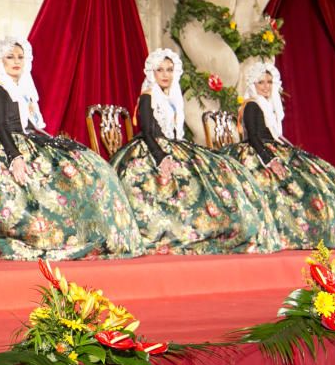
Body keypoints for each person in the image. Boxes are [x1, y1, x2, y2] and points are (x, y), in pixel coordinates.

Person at [0, 37, 144, 260]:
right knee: (44, 180)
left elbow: (29, 126)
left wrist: (53, 142)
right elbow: (1, 126)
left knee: (88, 164)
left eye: (20, 57)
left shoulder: (22, 89)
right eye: (10, 57)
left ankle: (89, 234)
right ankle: (48, 236)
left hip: (27, 141)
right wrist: (15, 157)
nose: (16, 62)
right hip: (6, 147)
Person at [109, 49, 281, 255]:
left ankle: (209, 229)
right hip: (152, 150)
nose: (165, 74)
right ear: (152, 73)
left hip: (172, 145)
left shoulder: (171, 98)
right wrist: (161, 157)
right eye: (160, 70)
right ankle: (170, 233)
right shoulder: (147, 97)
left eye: (170, 70)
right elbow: (147, 132)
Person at [221, 62, 335, 249]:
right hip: (259, 152)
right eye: (261, 82)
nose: (265, 86)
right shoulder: (252, 105)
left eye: (269, 82)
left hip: (273, 148)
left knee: (314, 177)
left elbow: (274, 135)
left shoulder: (268, 105)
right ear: (253, 85)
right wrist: (269, 159)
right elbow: (254, 137)